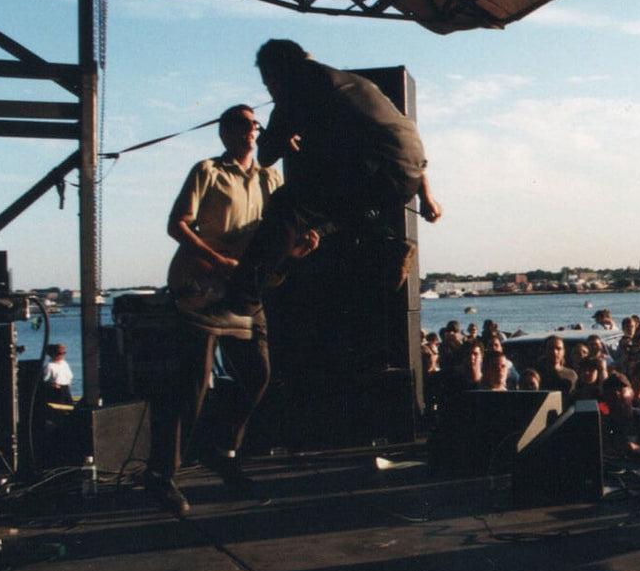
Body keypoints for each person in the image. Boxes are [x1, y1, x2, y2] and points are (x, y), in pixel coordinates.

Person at [208, 40, 442, 325]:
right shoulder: (352, 83)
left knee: (286, 204)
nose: (270, 92)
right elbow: (398, 136)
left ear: (274, 74)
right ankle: (385, 249)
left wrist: (280, 130)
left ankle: (241, 299)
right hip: (407, 173)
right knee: (327, 214)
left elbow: (266, 155)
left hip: (375, 171)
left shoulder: (297, 81)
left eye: (268, 85)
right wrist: (425, 195)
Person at [150, 104, 282, 515]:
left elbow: (275, 236)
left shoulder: (271, 178)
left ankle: (221, 449)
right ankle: (161, 477)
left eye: (255, 124)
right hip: (202, 287)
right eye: (243, 124)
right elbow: (177, 225)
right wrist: (216, 260)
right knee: (193, 384)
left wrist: (300, 242)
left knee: (258, 374)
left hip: (243, 292)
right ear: (224, 133)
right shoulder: (207, 170)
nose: (253, 130)